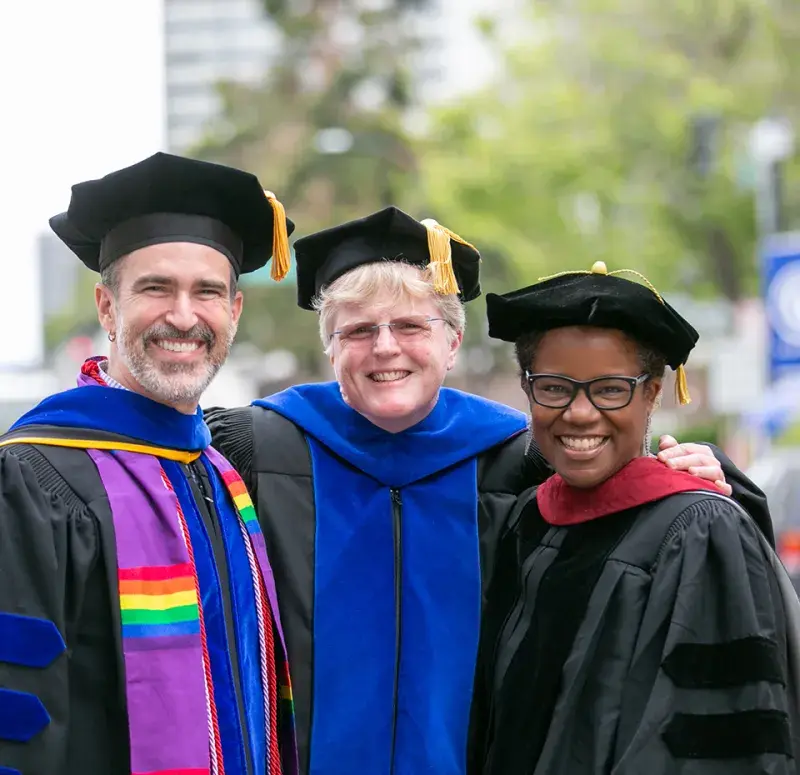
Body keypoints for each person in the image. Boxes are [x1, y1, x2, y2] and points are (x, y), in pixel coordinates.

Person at [205, 207, 763, 775]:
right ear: (330, 347)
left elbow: (653, 568)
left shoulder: (523, 462)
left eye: (412, 326)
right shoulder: (254, 451)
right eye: (358, 330)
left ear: (453, 342)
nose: (385, 347)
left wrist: (708, 477)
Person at [0, 152, 298, 775]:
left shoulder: (222, 474)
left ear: (234, 312)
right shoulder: (33, 480)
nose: (184, 316)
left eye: (207, 292)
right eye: (156, 287)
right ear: (107, 307)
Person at [468, 261, 797, 775]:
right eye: (554, 387)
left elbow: (721, 743)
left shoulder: (699, 533)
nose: (579, 412)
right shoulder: (524, 522)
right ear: (528, 388)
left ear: (652, 393)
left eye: (610, 389)